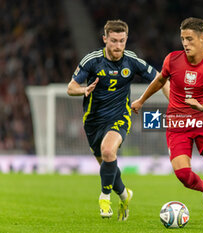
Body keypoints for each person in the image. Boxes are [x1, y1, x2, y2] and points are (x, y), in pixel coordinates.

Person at [131, 17, 203, 227]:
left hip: (202, 122)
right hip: (177, 124)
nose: (185, 43)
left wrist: (202, 107)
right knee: (182, 175)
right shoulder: (172, 59)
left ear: (202, 38)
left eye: (189, 39)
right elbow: (160, 80)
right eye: (182, 39)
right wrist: (142, 100)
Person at [67, 19, 169, 220]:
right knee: (107, 161)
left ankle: (104, 198)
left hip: (119, 116)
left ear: (126, 39)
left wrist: (175, 102)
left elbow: (161, 78)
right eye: (114, 41)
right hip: (93, 121)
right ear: (105, 39)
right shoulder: (92, 60)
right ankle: (124, 195)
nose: (118, 46)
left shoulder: (131, 60)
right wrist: (83, 90)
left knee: (108, 150)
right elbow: (70, 87)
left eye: (122, 41)